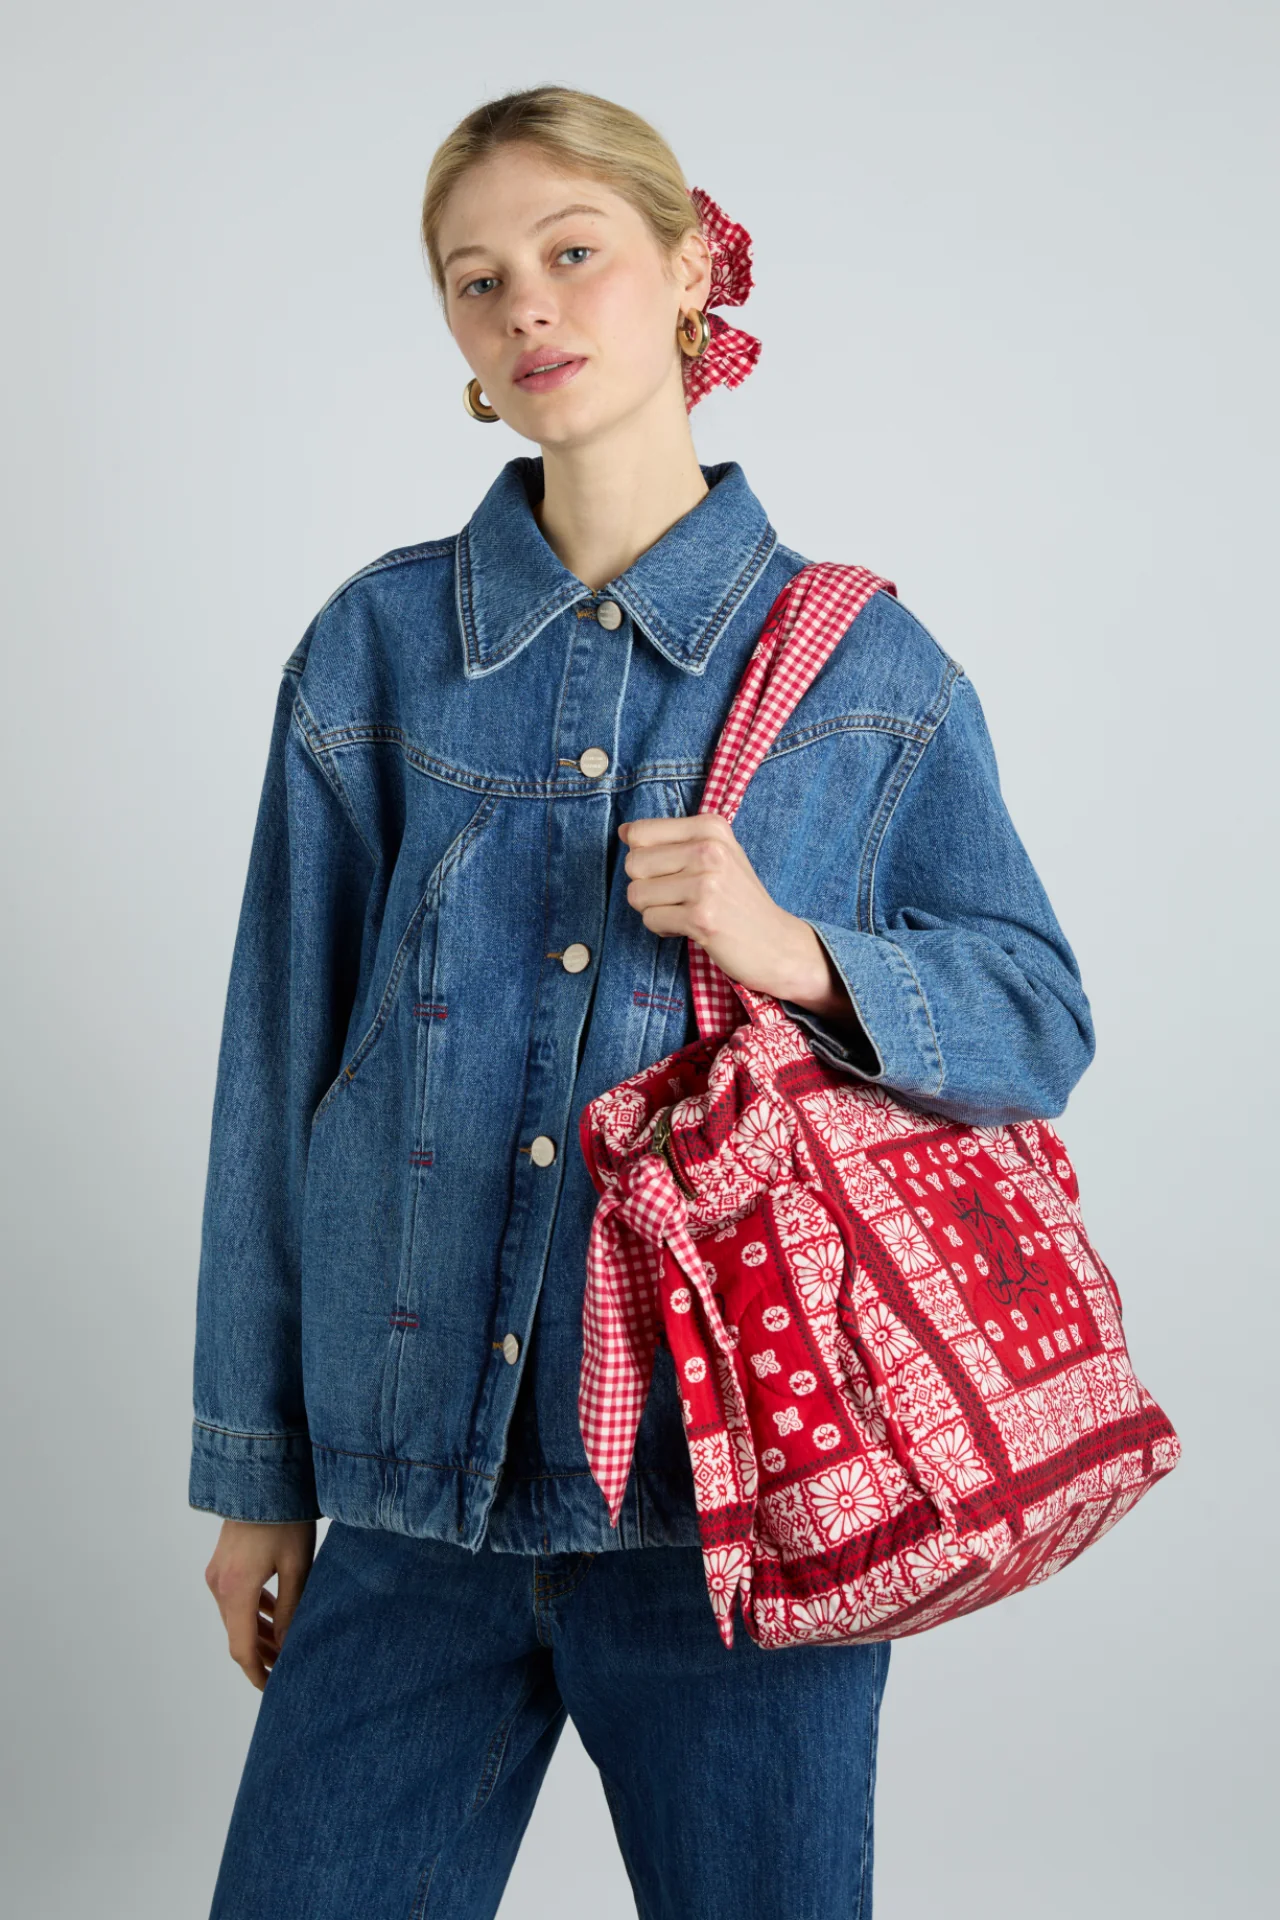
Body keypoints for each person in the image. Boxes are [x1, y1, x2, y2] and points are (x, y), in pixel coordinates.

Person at [191, 84, 1095, 1919]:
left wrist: (800, 952)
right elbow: (275, 1070)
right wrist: (253, 1474)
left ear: (691, 271)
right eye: (477, 279)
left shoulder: (864, 669)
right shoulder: (373, 655)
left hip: (741, 1518)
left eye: (572, 253)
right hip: (409, 1510)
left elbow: (1038, 1016)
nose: (527, 306)